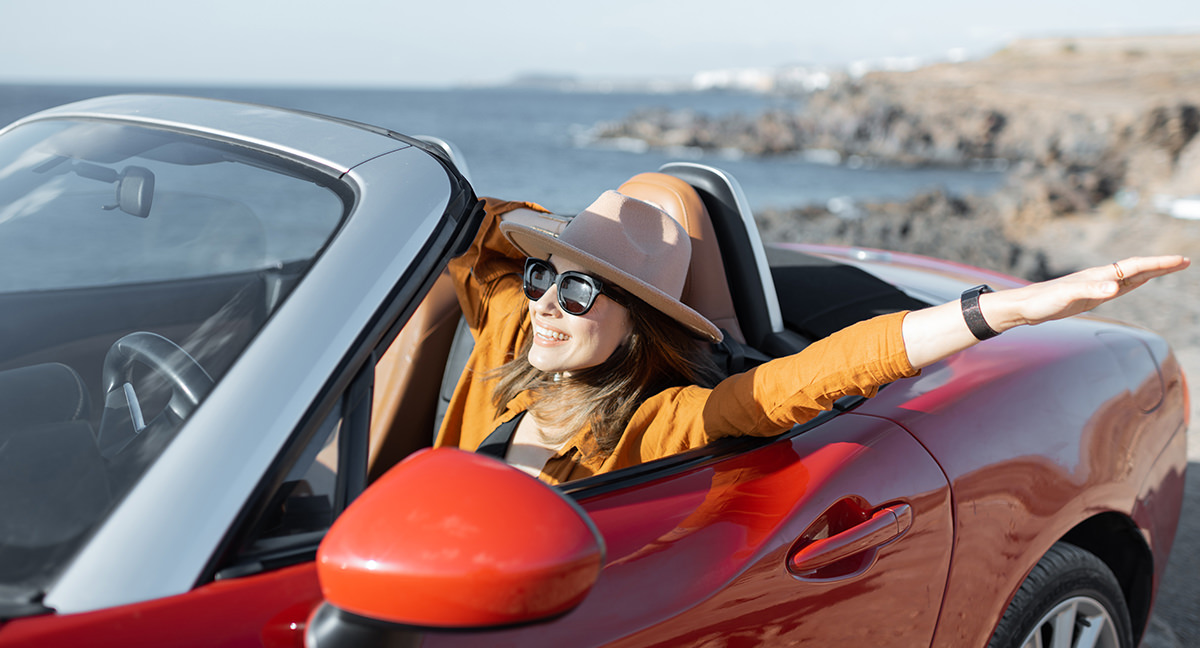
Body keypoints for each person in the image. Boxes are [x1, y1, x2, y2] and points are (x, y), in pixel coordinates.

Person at [433, 191, 1189, 485]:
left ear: (642, 324)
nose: (545, 305)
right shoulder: (515, 342)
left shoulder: (662, 423)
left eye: (579, 289)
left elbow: (818, 375)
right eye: (544, 278)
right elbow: (461, 230)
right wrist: (570, 244)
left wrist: (1015, 308)